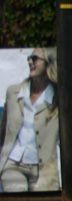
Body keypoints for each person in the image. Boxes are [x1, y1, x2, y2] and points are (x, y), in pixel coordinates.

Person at [0, 48, 60, 192]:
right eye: (29, 59)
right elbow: (3, 130)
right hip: (13, 164)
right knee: (19, 199)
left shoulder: (59, 99)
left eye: (35, 59)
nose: (30, 62)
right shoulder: (13, 93)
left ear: (48, 64)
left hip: (44, 169)